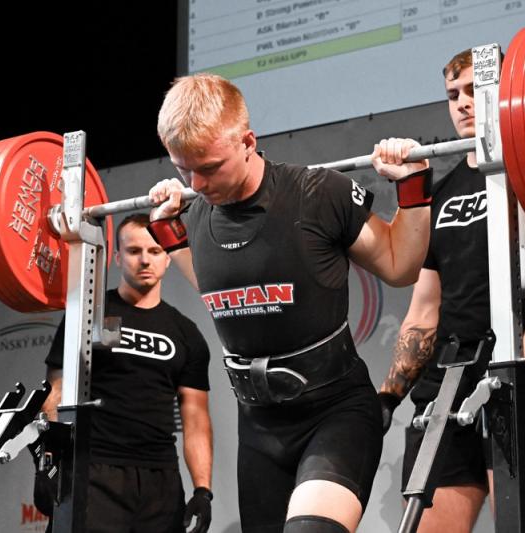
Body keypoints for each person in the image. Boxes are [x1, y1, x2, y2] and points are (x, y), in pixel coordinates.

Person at [147, 72, 430, 533]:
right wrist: (167, 228)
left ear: (247, 142)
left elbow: (401, 267)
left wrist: (413, 185)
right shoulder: (196, 216)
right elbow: (213, 287)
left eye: (210, 167)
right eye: (184, 169)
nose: (197, 183)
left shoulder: (317, 194)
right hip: (258, 431)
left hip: (335, 415)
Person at [375, 49, 525, 533]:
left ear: (506, 92)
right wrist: (388, 396)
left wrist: (516, 372)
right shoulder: (444, 192)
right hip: (449, 381)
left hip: (523, 378)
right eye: (454, 94)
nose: (464, 103)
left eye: (476, 89)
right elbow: (425, 309)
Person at [42, 213, 214, 533]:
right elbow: (56, 390)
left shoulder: (187, 333)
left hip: (160, 479)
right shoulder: (88, 316)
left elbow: (196, 418)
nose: (145, 260)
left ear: (167, 258)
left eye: (155, 251)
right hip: (94, 470)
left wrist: (203, 489)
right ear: (118, 257)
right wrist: (52, 460)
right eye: (134, 251)